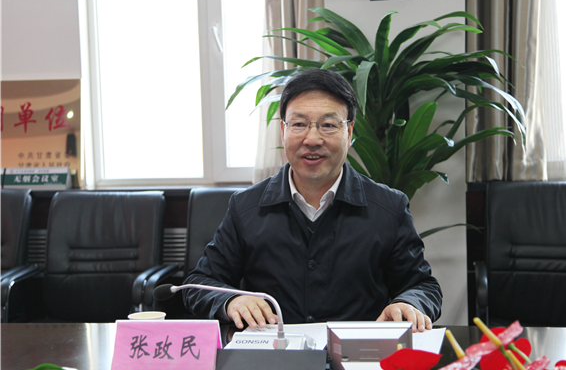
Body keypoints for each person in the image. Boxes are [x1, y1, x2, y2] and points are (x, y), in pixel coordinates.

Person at [183, 69, 442, 332]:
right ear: (283, 130)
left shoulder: (388, 207)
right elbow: (201, 283)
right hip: (272, 353)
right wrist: (231, 301)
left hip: (358, 353)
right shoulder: (246, 207)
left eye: (328, 125)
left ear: (349, 132)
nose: (313, 139)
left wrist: (408, 303)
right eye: (299, 124)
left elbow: (422, 286)